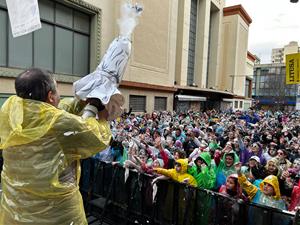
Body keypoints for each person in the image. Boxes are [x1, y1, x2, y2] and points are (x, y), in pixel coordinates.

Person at [0, 68, 112, 225]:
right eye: (57, 90)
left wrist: (80, 102)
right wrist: (102, 117)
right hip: (56, 215)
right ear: (50, 96)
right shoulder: (59, 125)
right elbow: (97, 137)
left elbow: (57, 113)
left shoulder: (11, 112)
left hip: (16, 211)